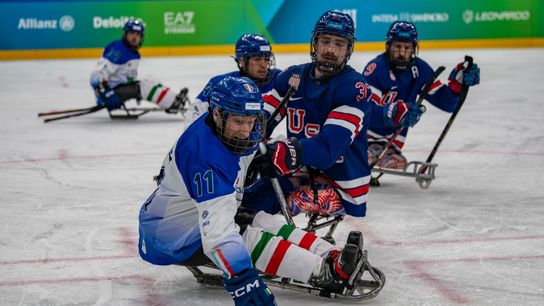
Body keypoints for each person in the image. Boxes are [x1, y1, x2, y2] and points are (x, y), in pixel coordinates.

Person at [138, 76, 367, 305]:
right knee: (246, 237)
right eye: (238, 122)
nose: (246, 131)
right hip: (170, 240)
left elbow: (249, 146)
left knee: (261, 220)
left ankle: (331, 256)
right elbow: (218, 236)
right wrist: (242, 280)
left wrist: (267, 152)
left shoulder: (223, 128)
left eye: (250, 121)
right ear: (218, 113)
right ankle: (322, 273)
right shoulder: (205, 159)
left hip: (190, 218)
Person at [242, 11, 373, 218]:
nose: (330, 49)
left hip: (340, 184)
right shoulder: (293, 77)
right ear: (315, 42)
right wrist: (243, 140)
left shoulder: (354, 88)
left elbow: (328, 150)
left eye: (339, 44)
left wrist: (283, 152)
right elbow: (259, 120)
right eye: (325, 41)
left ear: (348, 49)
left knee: (267, 214)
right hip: (299, 171)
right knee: (246, 205)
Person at [362, 21, 480, 169]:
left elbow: (446, 103)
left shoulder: (420, 70)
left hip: (392, 143)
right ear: (389, 46)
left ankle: (384, 152)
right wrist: (393, 112)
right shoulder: (376, 69)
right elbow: (364, 112)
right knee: (363, 154)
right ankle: (365, 150)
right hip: (364, 138)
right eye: (398, 47)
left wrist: (458, 85)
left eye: (407, 48)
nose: (402, 53)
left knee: (398, 163)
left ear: (414, 49)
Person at [89, 19, 189, 113]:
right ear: (125, 34)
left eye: (138, 34)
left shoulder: (132, 51)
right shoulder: (117, 50)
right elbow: (96, 76)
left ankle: (174, 99)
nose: (135, 37)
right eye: (132, 33)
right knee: (143, 87)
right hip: (110, 94)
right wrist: (105, 94)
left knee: (150, 79)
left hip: (119, 88)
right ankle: (173, 104)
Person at [188, 34, 281, 120]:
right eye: (257, 59)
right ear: (242, 60)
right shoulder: (220, 83)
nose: (264, 65)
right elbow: (193, 115)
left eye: (267, 59)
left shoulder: (279, 80)